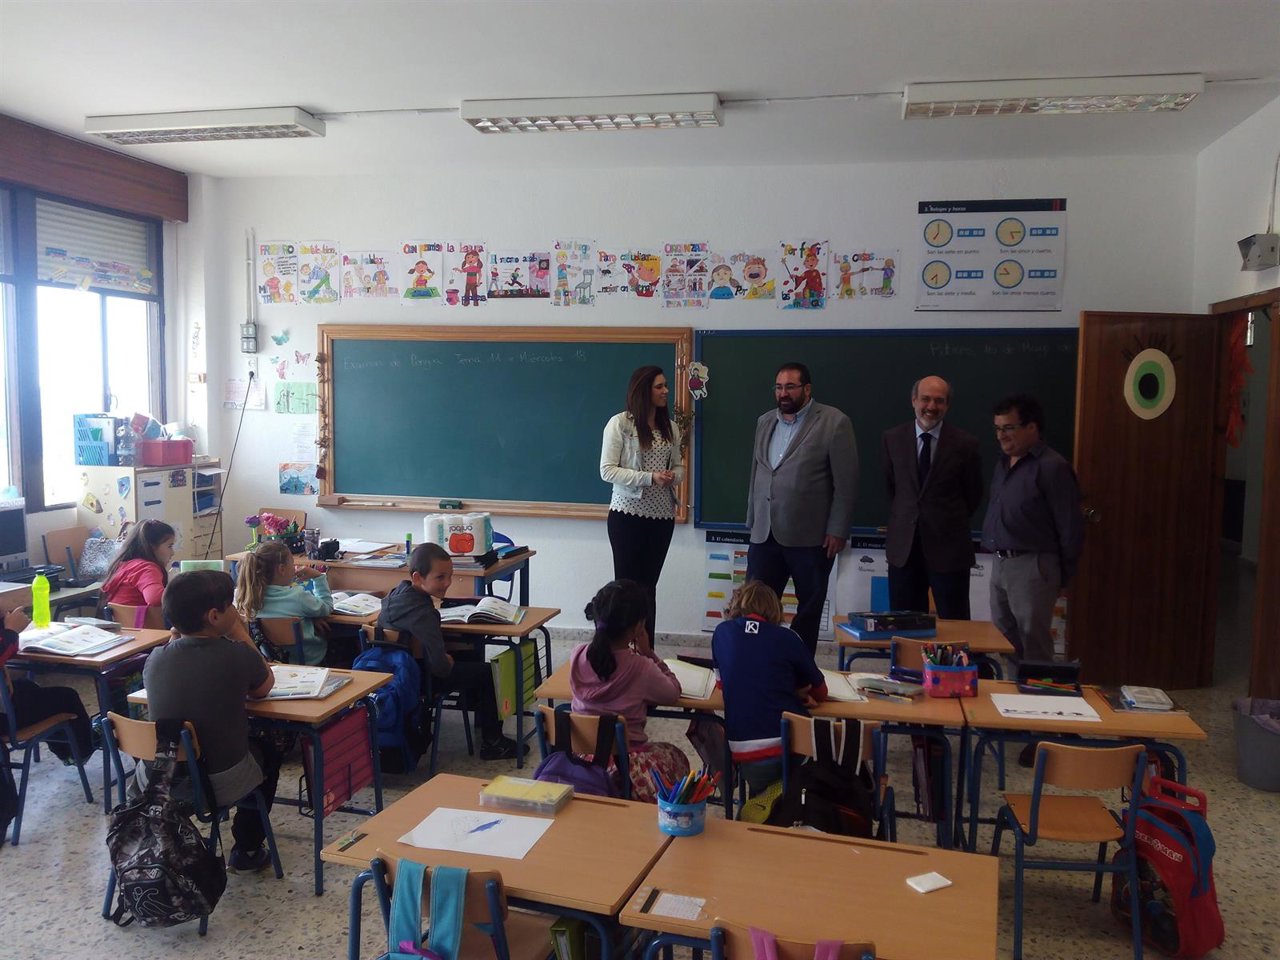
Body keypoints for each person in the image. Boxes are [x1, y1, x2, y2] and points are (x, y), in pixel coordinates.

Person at [140, 570, 279, 872]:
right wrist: (241, 633)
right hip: (214, 783)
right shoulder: (235, 654)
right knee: (268, 752)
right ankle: (247, 849)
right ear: (215, 615)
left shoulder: (155, 659)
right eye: (231, 606)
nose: (235, 611)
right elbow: (264, 687)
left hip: (156, 778)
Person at [746, 362, 858, 656]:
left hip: (811, 538)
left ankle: (800, 672)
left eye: (790, 387)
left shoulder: (834, 422)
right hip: (765, 533)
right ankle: (756, 664)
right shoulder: (764, 421)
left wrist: (838, 529)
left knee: (808, 611)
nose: (783, 393)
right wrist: (752, 519)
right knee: (754, 608)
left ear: (807, 389)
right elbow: (758, 473)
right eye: (779, 387)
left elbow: (846, 483)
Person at [380, 543, 524, 761]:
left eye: (450, 576)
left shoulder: (395, 596)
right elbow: (440, 667)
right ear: (418, 577)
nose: (447, 583)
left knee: (467, 658)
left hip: (393, 673)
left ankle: (480, 712)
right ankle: (493, 741)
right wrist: (447, 660)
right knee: (485, 672)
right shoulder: (423, 613)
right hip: (419, 679)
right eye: (440, 578)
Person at [982, 393, 1083, 664]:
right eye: (998, 429)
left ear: (1032, 428)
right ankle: (1014, 698)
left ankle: (1038, 701)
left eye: (1009, 428)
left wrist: (1064, 576)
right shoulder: (1003, 464)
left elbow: (1069, 526)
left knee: (1033, 641)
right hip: (1001, 563)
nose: (1001, 436)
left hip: (1033, 565)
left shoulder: (1052, 467)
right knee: (1005, 639)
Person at [569, 579, 688, 803]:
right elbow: (673, 692)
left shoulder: (577, 654)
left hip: (578, 761)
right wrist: (649, 653)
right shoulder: (641, 666)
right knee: (677, 757)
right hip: (625, 767)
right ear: (637, 628)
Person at [711, 581, 827, 796]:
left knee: (763, 792)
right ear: (776, 609)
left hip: (740, 751)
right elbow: (821, 692)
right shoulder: (788, 638)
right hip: (786, 750)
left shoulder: (721, 633)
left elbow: (724, 685)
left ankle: (759, 808)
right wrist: (792, 691)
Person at [882, 375, 983, 619]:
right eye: (925, 399)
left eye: (939, 401)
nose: (931, 407)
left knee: (955, 624)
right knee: (905, 626)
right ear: (913, 400)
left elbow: (973, 494)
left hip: (949, 550)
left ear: (947, 405)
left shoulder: (966, 444)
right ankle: (909, 661)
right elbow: (892, 488)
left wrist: (942, 518)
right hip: (904, 550)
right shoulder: (892, 439)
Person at [599, 365, 684, 643]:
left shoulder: (670, 427)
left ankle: (646, 652)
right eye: (660, 386)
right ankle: (619, 650)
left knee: (648, 589)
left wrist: (673, 477)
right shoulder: (620, 424)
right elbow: (607, 470)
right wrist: (649, 478)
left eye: (666, 386)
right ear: (644, 390)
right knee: (625, 589)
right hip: (627, 516)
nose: (666, 391)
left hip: (661, 518)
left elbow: (680, 467)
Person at [0, 606, 95, 763]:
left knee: (28, 687)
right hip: (4, 719)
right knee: (67, 697)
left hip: (5, 703)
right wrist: (11, 631)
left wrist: (8, 626)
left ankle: (64, 748)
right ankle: (79, 753)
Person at [234, 539, 333, 665]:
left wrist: (309, 619)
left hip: (269, 662)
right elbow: (327, 607)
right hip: (308, 660)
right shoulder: (298, 597)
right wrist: (318, 577)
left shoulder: (244, 598)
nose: (295, 567)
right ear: (281, 569)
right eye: (292, 563)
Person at [100, 519, 176, 609]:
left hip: (121, 622)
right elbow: (154, 599)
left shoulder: (124, 565)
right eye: (170, 546)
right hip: (141, 622)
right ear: (152, 546)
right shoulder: (146, 568)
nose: (173, 552)